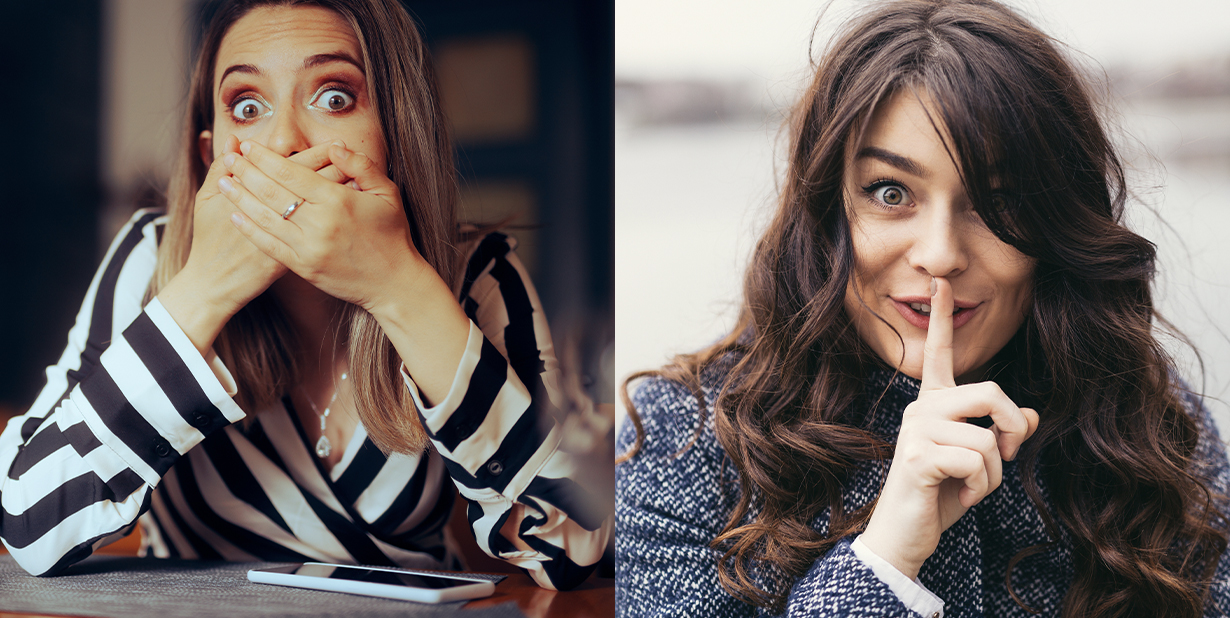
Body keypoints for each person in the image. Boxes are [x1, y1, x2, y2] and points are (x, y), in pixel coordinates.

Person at [616, 0, 1230, 616]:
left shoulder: (1146, 423)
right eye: (891, 193)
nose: (940, 256)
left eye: (999, 202)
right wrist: (884, 560)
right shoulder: (685, 435)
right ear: (827, 210)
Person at [0, 0, 611, 591]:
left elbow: (575, 545)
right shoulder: (151, 259)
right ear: (213, 157)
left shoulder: (475, 274)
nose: (286, 142)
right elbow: (28, 522)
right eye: (247, 106)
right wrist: (205, 288)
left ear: (395, 133)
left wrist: (398, 285)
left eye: (334, 97)